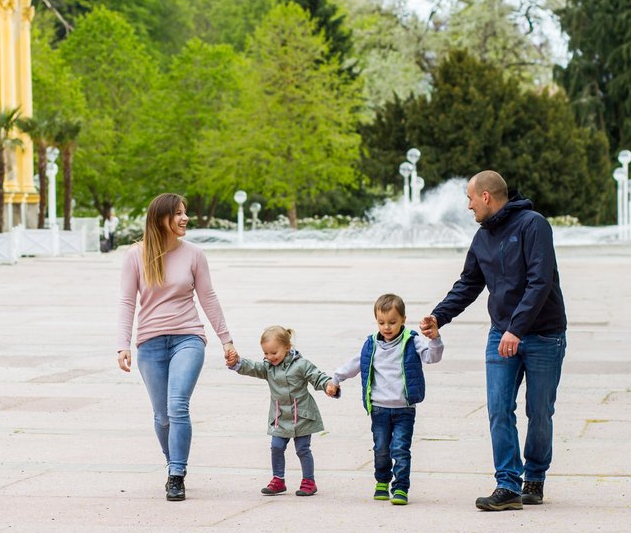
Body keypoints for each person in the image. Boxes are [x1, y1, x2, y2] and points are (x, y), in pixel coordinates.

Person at [419, 170, 567, 512]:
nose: (468, 206)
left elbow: (539, 281)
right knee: (499, 409)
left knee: (539, 411)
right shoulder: (482, 237)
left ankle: (535, 477)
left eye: (470, 198)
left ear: (486, 196)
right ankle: (507, 484)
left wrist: (517, 329)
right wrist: (439, 316)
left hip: (543, 333)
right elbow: (469, 283)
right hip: (502, 333)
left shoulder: (533, 225)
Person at [117, 193, 235, 502]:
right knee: (161, 415)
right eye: (177, 214)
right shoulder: (135, 255)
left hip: (188, 338)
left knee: (177, 404)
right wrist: (123, 344)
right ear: (160, 219)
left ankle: (176, 475)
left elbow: (208, 297)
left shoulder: (194, 254)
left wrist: (226, 339)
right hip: (150, 344)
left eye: (185, 213)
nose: (184, 218)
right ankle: (173, 463)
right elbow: (128, 301)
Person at [328, 294, 443, 505]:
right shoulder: (371, 344)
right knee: (381, 448)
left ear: (403, 320)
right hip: (379, 408)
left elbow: (431, 357)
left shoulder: (411, 340)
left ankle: (400, 488)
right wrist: (335, 378)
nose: (387, 327)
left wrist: (435, 339)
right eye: (381, 322)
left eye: (392, 322)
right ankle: (382, 481)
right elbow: (355, 364)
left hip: (404, 408)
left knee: (400, 448)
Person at [226, 326, 334, 497]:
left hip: (302, 415)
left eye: (274, 353)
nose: (270, 357)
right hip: (280, 417)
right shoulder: (269, 367)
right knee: (276, 447)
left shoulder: (301, 364)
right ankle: (278, 480)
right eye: (266, 354)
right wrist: (237, 363)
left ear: (287, 347)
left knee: (302, 449)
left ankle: (309, 481)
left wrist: (329, 385)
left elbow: (317, 376)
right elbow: (253, 367)